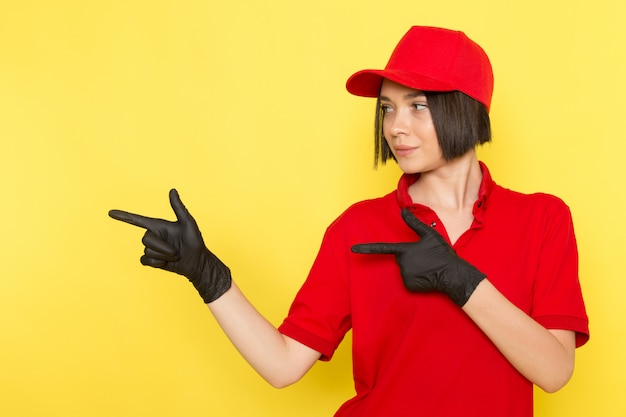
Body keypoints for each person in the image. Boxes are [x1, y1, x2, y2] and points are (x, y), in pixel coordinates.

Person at [109, 26, 589, 416]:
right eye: (387, 109)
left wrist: (460, 280)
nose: (395, 127)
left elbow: (554, 372)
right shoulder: (360, 229)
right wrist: (207, 274)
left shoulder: (542, 219)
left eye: (417, 106)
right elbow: (283, 364)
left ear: (467, 108)